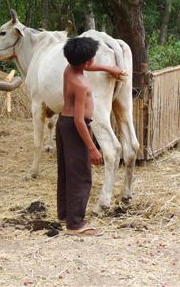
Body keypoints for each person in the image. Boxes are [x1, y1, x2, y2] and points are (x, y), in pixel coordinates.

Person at [56, 37, 125, 236]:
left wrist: (108, 68)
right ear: (86, 62)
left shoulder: (70, 70)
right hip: (76, 128)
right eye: (92, 58)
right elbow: (79, 120)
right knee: (81, 176)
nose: (93, 61)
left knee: (67, 172)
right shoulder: (81, 85)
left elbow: (89, 66)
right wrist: (92, 148)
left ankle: (65, 214)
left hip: (63, 124)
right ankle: (75, 225)